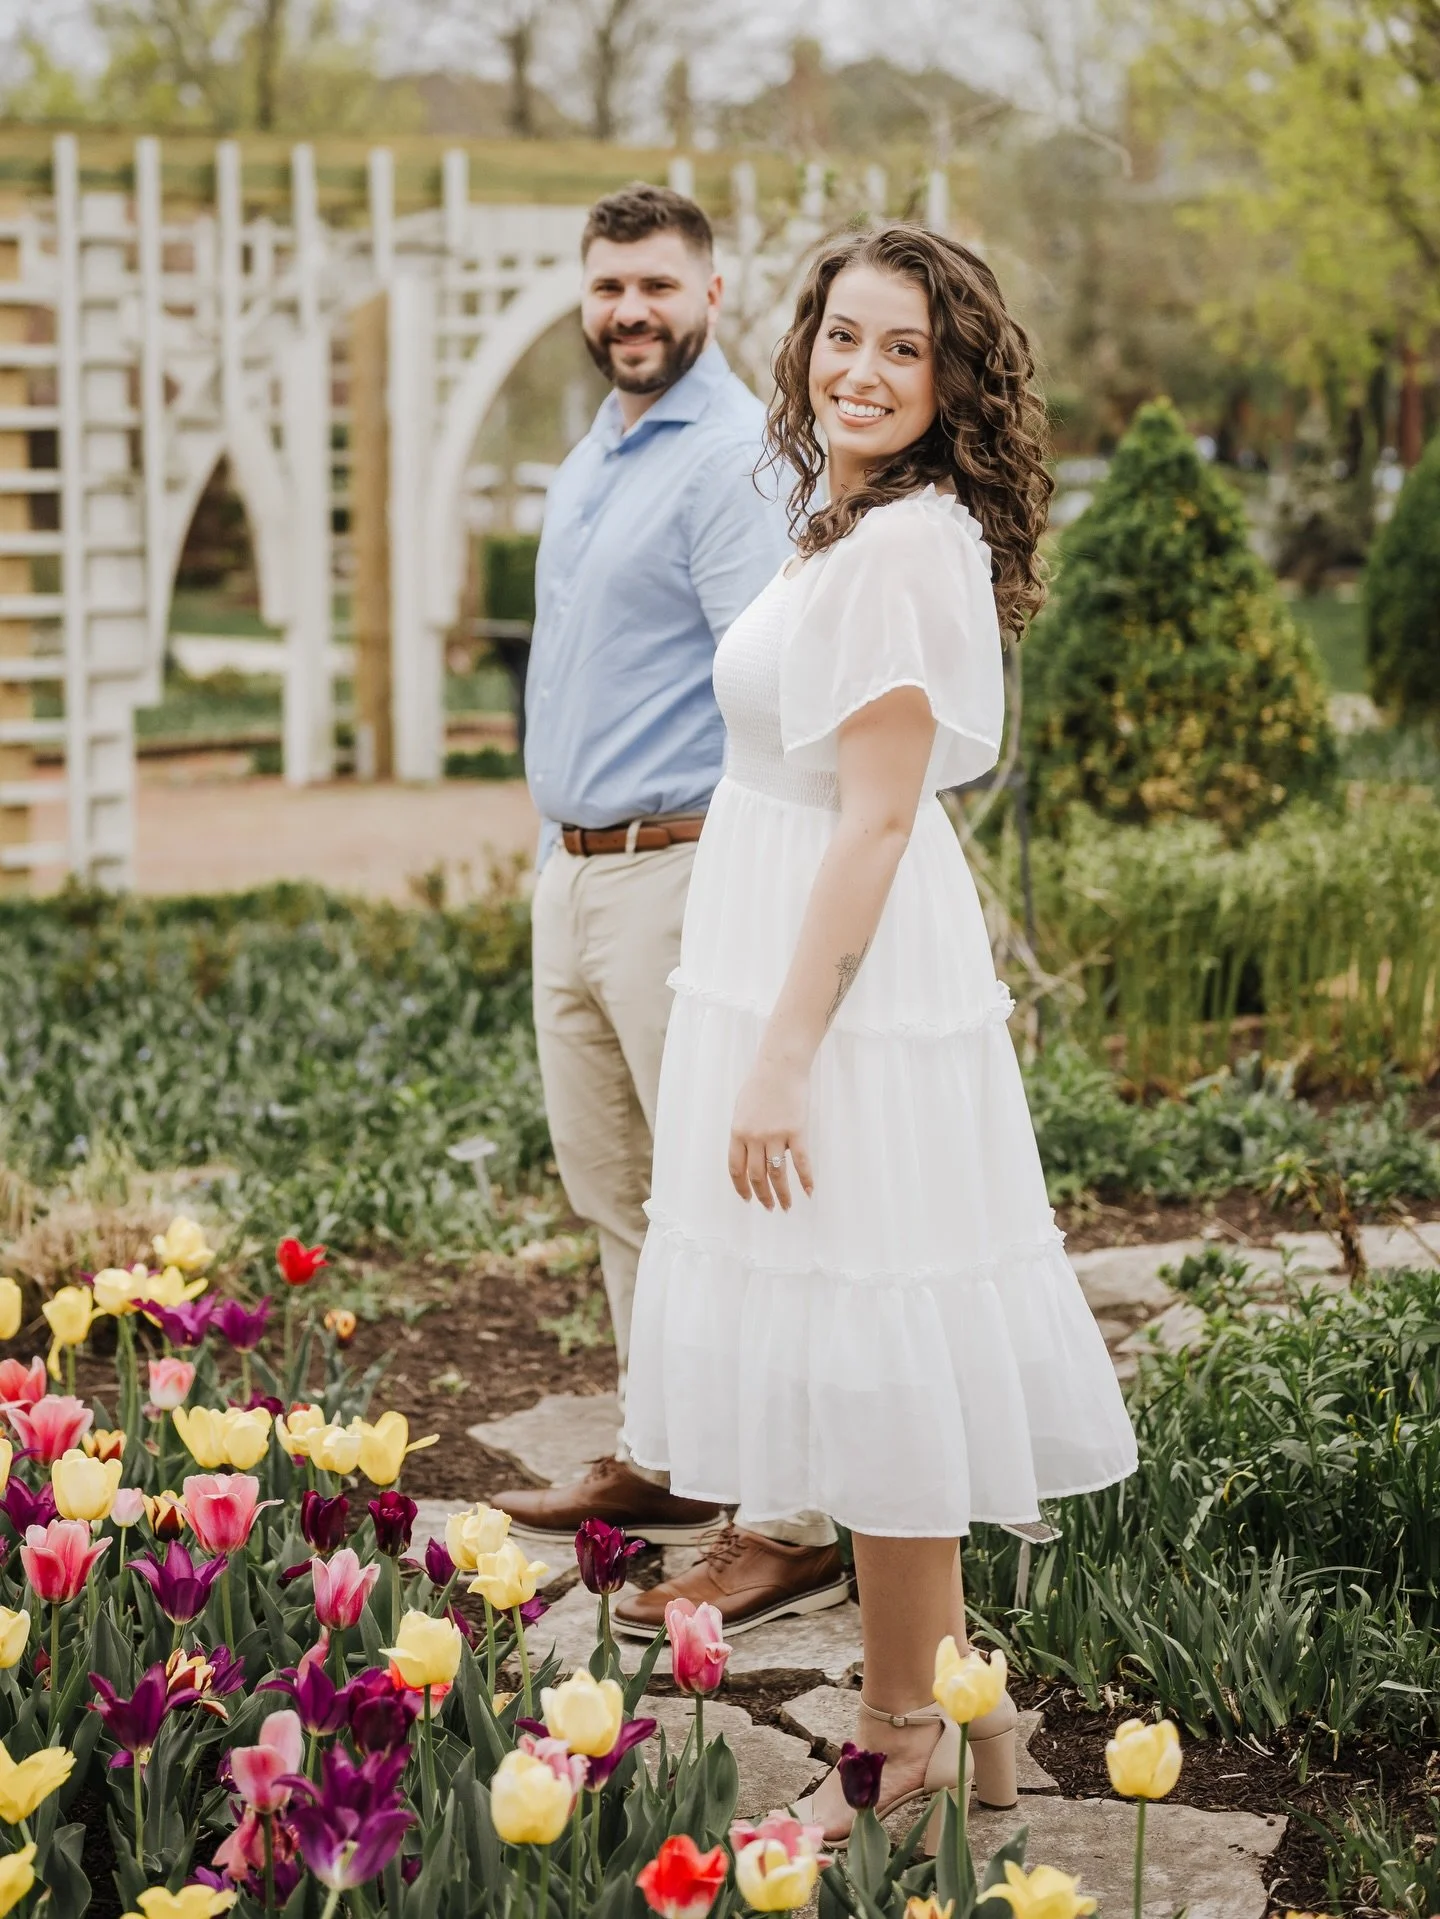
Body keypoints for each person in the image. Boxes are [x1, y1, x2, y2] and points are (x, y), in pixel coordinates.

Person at [618, 225, 1138, 1836]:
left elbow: (878, 820)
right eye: (843, 336)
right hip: (783, 940)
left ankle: (900, 1724)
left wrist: (783, 1047)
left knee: (873, 1338)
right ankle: (961, 1710)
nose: (860, 369)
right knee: (864, 1325)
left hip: (842, 982)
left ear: (953, 378)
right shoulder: (845, 521)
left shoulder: (910, 544)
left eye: (902, 348)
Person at [492, 184, 852, 1634]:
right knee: (616, 1188)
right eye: (607, 288)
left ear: (712, 292)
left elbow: (768, 692)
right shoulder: (598, 448)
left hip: (684, 868)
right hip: (571, 870)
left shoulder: (730, 466)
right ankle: (670, 1447)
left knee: (718, 1193)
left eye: (655, 285)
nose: (628, 311)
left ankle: (787, 1519)